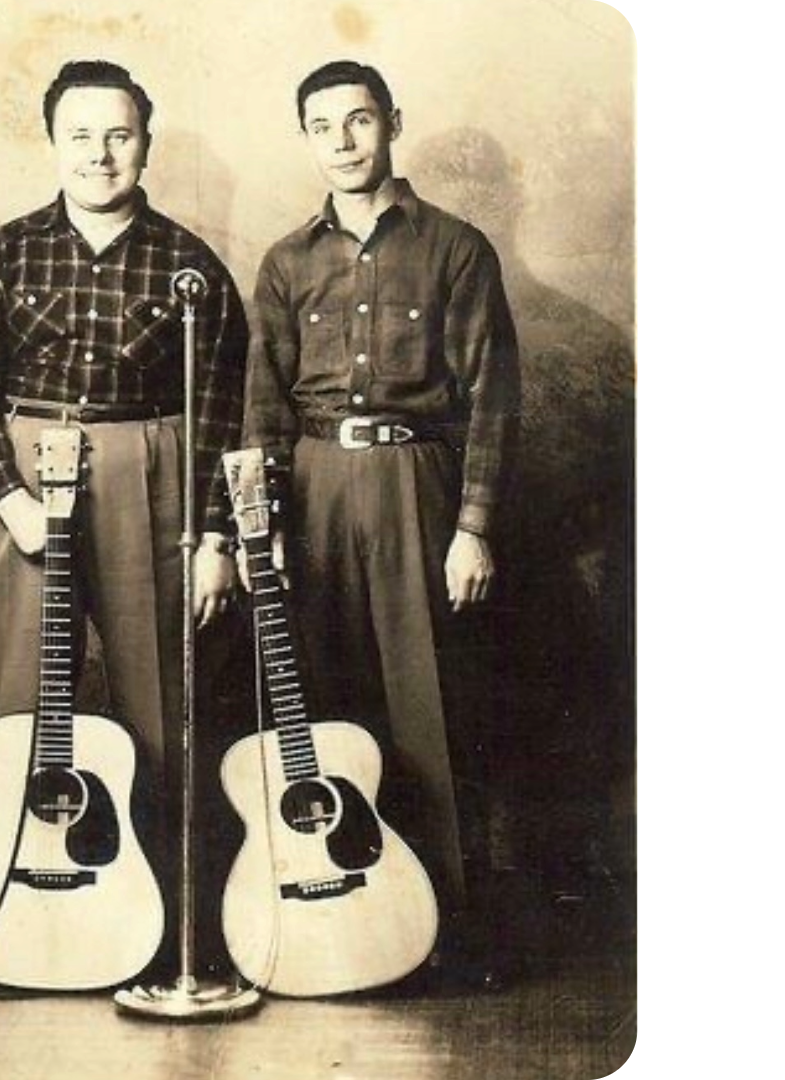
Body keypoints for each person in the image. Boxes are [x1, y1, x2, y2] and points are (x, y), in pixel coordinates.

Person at [0, 59, 248, 981]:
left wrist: (216, 538)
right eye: (81, 135)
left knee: (160, 707)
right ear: (52, 143)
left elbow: (222, 409)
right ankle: (5, 916)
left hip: (152, 478)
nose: (100, 154)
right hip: (31, 486)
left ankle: (170, 926)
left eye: (119, 135)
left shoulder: (191, 266)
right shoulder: (4, 254)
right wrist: (10, 501)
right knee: (24, 709)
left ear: (145, 142)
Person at [241, 60, 520, 989]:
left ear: (392, 122)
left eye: (359, 120)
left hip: (417, 485)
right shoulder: (286, 262)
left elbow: (492, 399)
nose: (344, 141)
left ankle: (447, 930)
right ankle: (343, 924)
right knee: (324, 710)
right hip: (315, 488)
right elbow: (264, 408)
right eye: (323, 126)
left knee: (430, 706)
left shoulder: (456, 248)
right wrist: (265, 529)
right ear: (306, 138)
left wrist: (473, 525)